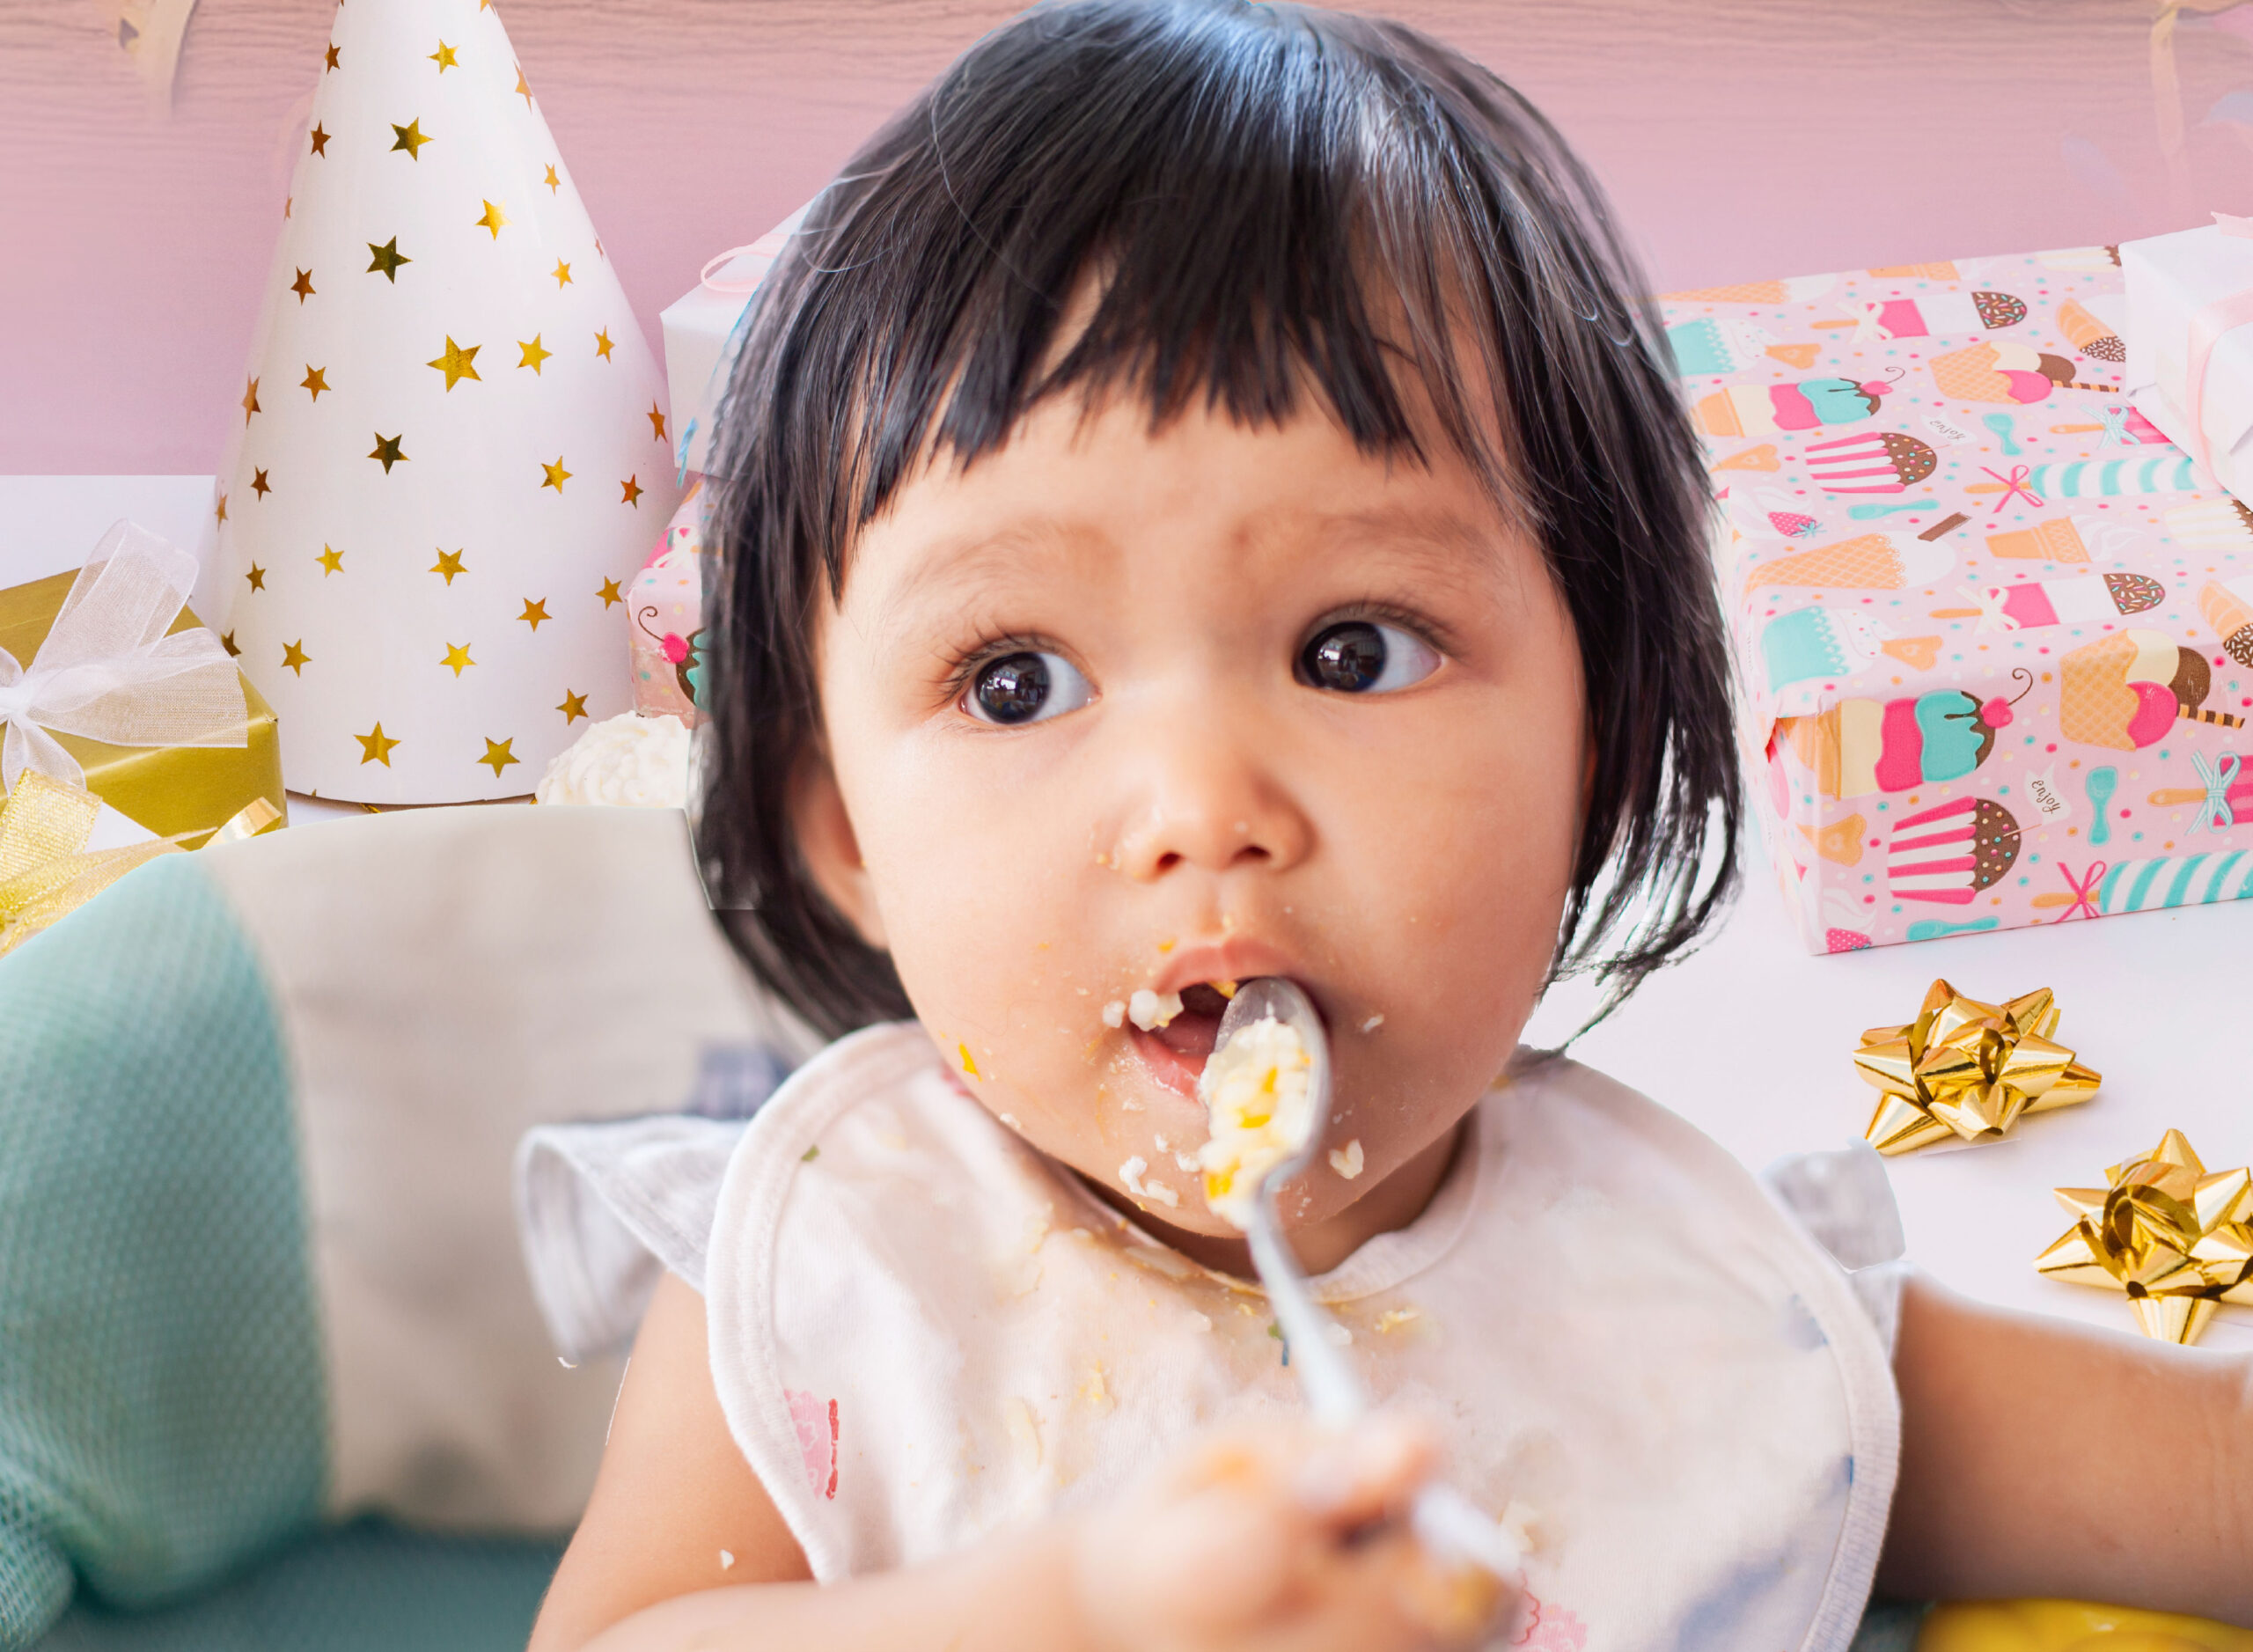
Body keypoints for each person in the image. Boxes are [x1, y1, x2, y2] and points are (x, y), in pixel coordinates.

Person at [523, 4, 2253, 1647]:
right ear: (840, 835)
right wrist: (1084, 1623)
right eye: (1014, 682)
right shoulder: (843, 1274)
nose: (1201, 808)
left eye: (1351, 651)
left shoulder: (1699, 1318)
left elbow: (2192, 1476)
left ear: (1600, 747)